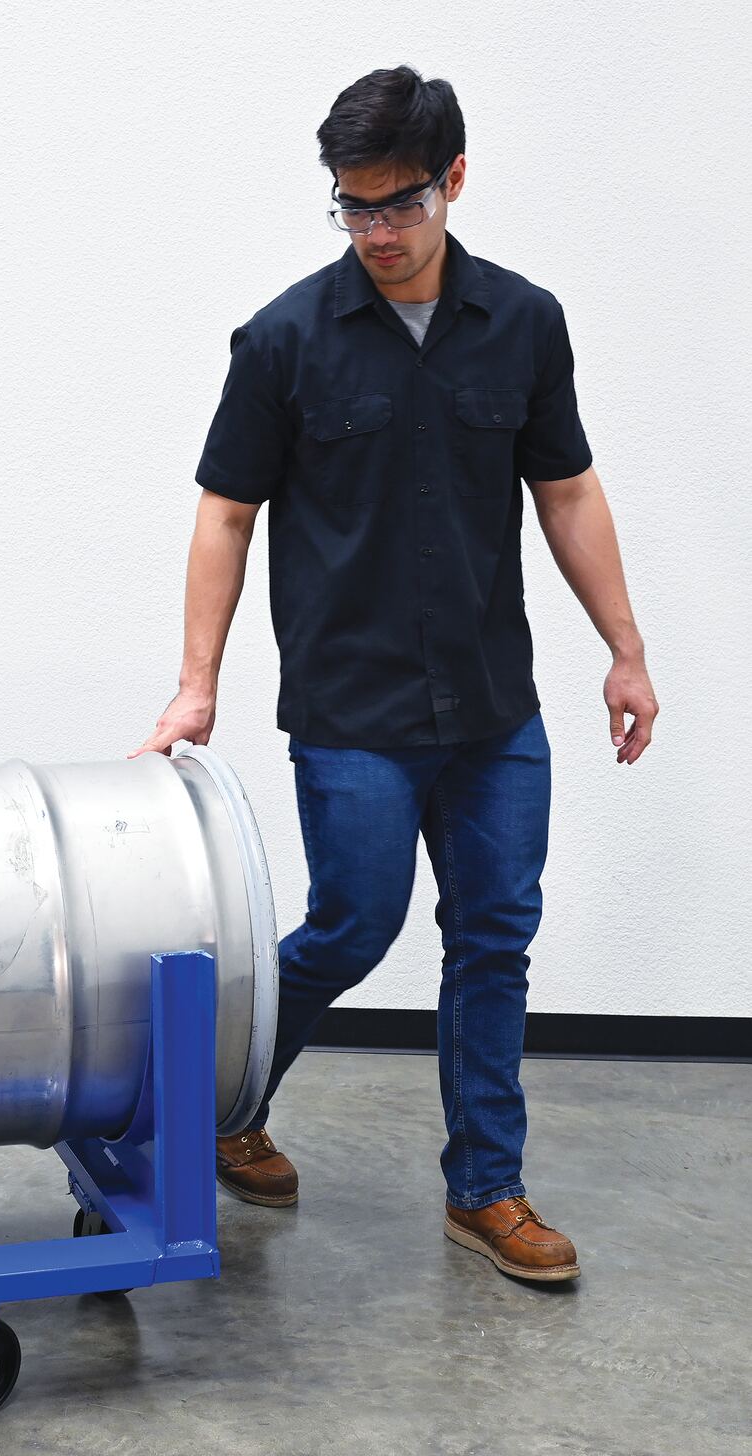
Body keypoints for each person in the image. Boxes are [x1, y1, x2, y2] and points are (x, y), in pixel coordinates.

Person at [129, 65, 658, 1283]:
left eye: (398, 205)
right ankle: (219, 1102)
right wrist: (196, 683)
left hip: (492, 704)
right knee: (350, 928)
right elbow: (225, 513)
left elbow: (567, 491)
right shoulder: (283, 340)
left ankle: (487, 1190)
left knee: (494, 938)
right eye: (352, 207)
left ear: (454, 180)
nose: (375, 233)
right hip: (353, 706)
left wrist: (625, 650)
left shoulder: (524, 323)